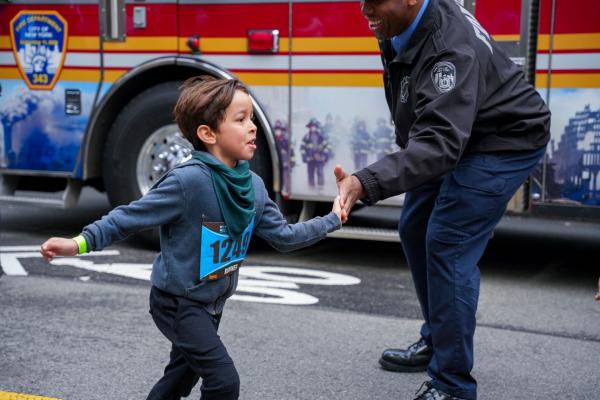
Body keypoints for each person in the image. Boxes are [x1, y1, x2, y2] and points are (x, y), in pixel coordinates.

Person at [40, 76, 342, 400]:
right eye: (240, 119)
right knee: (224, 382)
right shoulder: (188, 183)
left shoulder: (252, 185)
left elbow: (284, 237)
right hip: (177, 303)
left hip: (212, 303)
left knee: (179, 380)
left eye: (251, 117)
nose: (253, 126)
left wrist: (333, 219)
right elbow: (128, 216)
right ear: (208, 134)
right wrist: (79, 243)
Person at [335, 0, 550, 399]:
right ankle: (437, 339)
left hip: (503, 140)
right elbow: (424, 114)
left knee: (447, 243)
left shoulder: (448, 45)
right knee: (415, 228)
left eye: (374, 1)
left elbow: (439, 144)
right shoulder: (401, 21)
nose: (364, 10)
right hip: (460, 134)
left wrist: (365, 181)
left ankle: (451, 385)